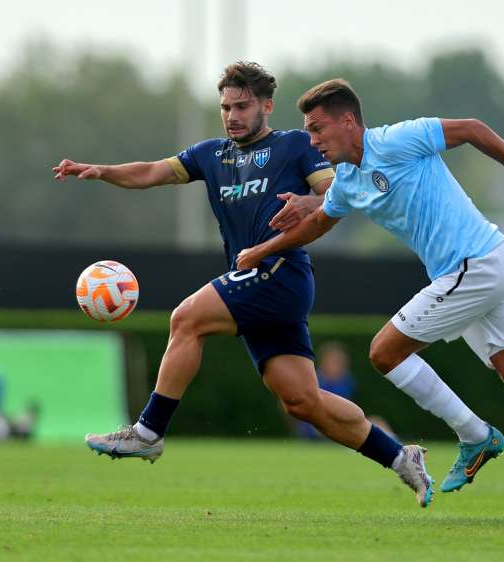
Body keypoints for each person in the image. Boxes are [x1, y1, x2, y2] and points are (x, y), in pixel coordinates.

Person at [235, 78, 504, 523]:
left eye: (318, 129)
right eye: (309, 132)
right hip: (487, 265)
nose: (313, 141)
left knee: (384, 352)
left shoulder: (396, 139)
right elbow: (318, 222)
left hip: (476, 264)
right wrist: (262, 250)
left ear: (349, 121)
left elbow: (470, 128)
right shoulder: (347, 182)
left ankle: (475, 435)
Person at [53, 62, 434, 508]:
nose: (232, 115)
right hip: (255, 281)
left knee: (186, 318)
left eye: (242, 106)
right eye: (225, 107)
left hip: (279, 271)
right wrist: (101, 170)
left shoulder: (293, 146)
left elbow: (336, 193)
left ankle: (148, 432)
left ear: (266, 106)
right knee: (303, 402)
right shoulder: (211, 155)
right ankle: (400, 456)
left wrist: (308, 201)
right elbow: (152, 172)